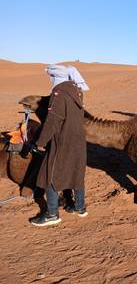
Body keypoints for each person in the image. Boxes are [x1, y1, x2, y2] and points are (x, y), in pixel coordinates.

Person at [30, 65, 89, 226]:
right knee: (76, 172)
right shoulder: (77, 92)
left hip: (63, 142)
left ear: (54, 78)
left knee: (50, 173)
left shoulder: (59, 94)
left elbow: (52, 122)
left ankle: (51, 214)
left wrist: (40, 142)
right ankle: (80, 207)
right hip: (78, 141)